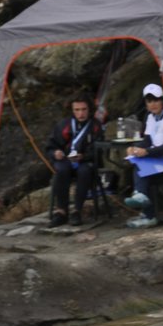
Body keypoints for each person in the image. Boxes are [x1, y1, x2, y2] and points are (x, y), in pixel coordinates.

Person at [122, 83, 163, 228]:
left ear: (162, 100)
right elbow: (148, 140)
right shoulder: (151, 118)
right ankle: (145, 206)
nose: (153, 104)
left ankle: (147, 211)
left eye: (156, 100)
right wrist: (135, 148)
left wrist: (147, 152)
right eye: (149, 101)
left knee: (144, 169)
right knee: (140, 165)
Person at [45, 93, 103, 226]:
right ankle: (61, 211)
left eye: (84, 109)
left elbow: (98, 149)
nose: (80, 113)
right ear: (72, 110)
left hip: (86, 162)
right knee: (61, 169)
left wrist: (84, 156)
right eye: (77, 110)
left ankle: (77, 210)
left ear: (89, 109)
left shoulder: (96, 126)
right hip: (66, 160)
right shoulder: (64, 125)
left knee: (85, 171)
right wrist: (56, 153)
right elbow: (50, 146)